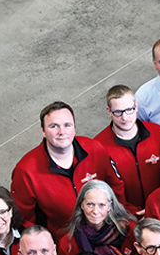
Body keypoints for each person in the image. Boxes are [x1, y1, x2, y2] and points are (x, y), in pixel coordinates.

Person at [13, 100, 105, 234]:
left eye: (67, 125)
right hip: (64, 242)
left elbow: (114, 186)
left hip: (105, 230)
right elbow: (23, 219)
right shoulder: (26, 172)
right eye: (54, 126)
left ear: (74, 127)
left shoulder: (94, 149)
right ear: (43, 131)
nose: (62, 132)